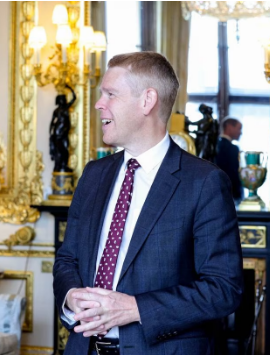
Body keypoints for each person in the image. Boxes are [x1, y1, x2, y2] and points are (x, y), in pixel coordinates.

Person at [53, 52, 243, 354]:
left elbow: (223, 289)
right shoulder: (93, 174)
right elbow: (67, 260)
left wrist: (135, 308)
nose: (98, 104)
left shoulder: (204, 182)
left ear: (147, 100)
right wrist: (71, 296)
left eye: (110, 94)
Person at [215, 117, 243, 202]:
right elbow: (233, 173)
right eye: (239, 129)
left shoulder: (215, 145)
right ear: (230, 127)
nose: (240, 133)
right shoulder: (232, 149)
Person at [50, 85, 76, 172]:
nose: (63, 100)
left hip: (64, 132)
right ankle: (59, 166)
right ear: (59, 100)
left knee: (66, 150)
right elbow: (52, 123)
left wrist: (70, 88)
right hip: (58, 133)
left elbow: (74, 98)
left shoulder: (66, 108)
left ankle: (64, 165)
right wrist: (51, 133)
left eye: (64, 98)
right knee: (60, 151)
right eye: (62, 99)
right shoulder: (56, 111)